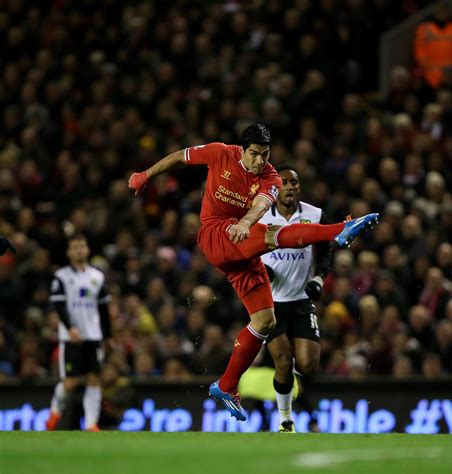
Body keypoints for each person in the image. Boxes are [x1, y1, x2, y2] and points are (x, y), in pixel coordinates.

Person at [128, 124, 379, 421]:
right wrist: (146, 175)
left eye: (265, 154)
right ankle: (339, 230)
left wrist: (246, 222)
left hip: (240, 241)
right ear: (243, 149)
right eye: (255, 154)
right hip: (216, 234)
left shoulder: (271, 176)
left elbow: (261, 204)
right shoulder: (220, 153)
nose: (260, 161)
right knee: (275, 234)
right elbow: (179, 157)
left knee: (265, 321)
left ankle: (225, 385)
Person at [260, 165, 331, 432]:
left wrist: (319, 278)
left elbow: (325, 251)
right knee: (282, 360)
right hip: (270, 303)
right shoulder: (260, 215)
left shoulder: (314, 215)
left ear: (299, 187)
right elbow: (246, 250)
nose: (290, 187)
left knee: (308, 364)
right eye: (284, 183)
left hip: (301, 300)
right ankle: (286, 420)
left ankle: (293, 385)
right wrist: (260, 272)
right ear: (276, 187)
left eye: (294, 183)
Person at [45, 234, 111, 431]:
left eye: (82, 246)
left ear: (88, 250)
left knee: (93, 378)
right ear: (69, 252)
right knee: (71, 382)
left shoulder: (97, 277)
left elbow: (103, 309)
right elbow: (58, 305)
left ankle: (91, 424)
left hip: (93, 335)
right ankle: (55, 411)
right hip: (71, 337)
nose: (79, 250)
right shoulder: (62, 277)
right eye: (75, 247)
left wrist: (107, 336)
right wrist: (69, 327)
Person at [414, 1, 452, 88]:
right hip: (430, 76)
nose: (442, 14)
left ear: (450, 12)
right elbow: (419, 49)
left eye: (445, 11)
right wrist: (425, 66)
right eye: (440, 11)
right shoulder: (424, 28)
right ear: (434, 12)